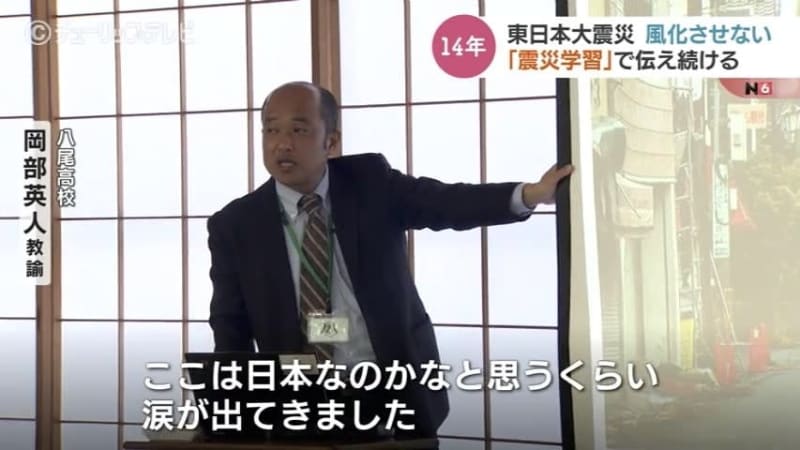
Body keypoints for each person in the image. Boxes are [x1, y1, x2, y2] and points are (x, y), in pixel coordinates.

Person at [206, 81, 573, 444]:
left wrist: (530, 194)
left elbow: (444, 202)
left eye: (299, 130)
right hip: (300, 402)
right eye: (271, 130)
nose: (282, 143)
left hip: (391, 388)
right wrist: (232, 420)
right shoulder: (236, 225)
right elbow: (230, 326)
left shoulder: (370, 184)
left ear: (330, 142)